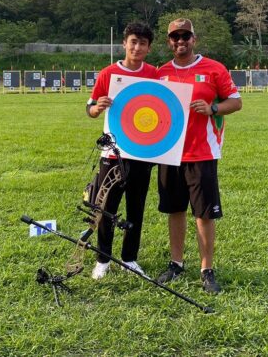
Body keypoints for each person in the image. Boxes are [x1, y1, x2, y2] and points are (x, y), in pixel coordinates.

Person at [155, 18, 242, 294]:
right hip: (170, 153)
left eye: (185, 36)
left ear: (194, 39)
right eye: (175, 37)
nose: (180, 41)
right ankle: (176, 263)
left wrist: (213, 108)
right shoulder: (161, 73)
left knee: (203, 214)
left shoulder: (214, 69)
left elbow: (236, 102)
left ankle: (207, 269)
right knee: (175, 210)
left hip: (202, 152)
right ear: (169, 41)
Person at [85, 22, 158, 279]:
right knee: (107, 206)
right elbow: (91, 109)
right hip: (114, 152)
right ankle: (102, 260)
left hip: (144, 152)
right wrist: (98, 106)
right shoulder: (108, 73)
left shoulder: (154, 74)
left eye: (142, 43)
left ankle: (130, 258)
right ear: (124, 43)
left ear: (149, 48)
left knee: (136, 207)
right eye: (133, 42)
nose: (137, 47)